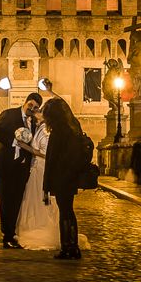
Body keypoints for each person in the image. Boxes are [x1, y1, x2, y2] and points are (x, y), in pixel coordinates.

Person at [41, 97, 89, 259]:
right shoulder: (73, 127)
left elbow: (51, 159)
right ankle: (71, 246)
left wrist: (46, 185)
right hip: (70, 176)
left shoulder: (59, 131)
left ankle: (68, 247)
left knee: (65, 212)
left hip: (62, 177)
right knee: (68, 211)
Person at [0, 92, 42, 248]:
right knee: (6, 201)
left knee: (17, 201)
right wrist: (14, 141)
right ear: (25, 102)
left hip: (22, 168)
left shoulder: (33, 123)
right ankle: (6, 235)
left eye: (35, 108)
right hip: (5, 165)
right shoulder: (8, 114)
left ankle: (12, 232)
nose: (32, 109)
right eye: (31, 105)